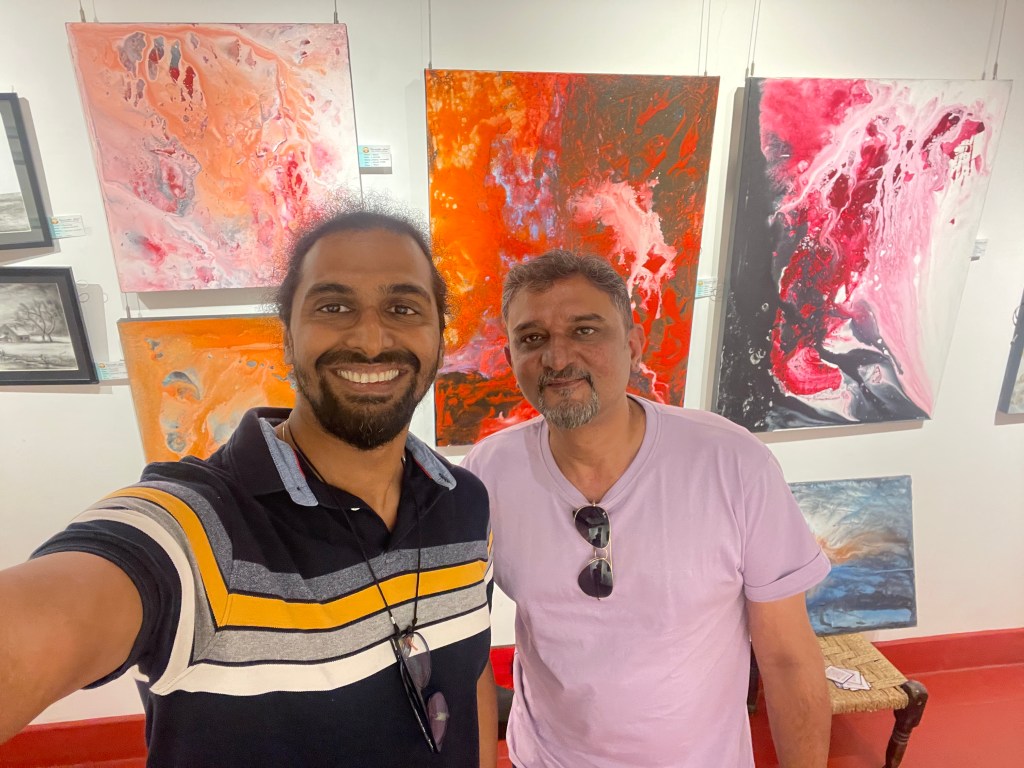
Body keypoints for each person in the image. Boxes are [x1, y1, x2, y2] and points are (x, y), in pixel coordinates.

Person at [0, 207, 498, 767]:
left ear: (438, 338)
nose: (370, 339)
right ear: (287, 336)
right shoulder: (198, 528)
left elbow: (470, 674)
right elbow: (54, 614)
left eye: (403, 308)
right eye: (333, 307)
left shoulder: (465, 501)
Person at [462, 250, 832, 768]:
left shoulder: (731, 462)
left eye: (585, 330)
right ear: (510, 359)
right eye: (533, 338)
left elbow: (788, 657)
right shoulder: (488, 472)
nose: (558, 358)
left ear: (634, 344)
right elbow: (464, 648)